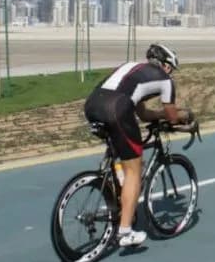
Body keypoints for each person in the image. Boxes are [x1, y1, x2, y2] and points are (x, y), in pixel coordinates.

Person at [83, 42, 193, 247]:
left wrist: (159, 115)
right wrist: (182, 119)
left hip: (93, 105)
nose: (171, 73)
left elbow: (142, 114)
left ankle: (116, 195)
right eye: (172, 69)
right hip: (117, 108)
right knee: (135, 168)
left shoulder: (134, 69)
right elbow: (171, 115)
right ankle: (125, 232)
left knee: (122, 154)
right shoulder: (165, 80)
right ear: (166, 66)